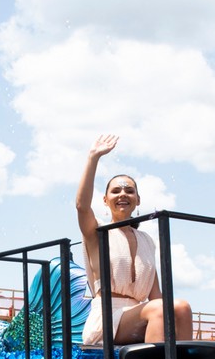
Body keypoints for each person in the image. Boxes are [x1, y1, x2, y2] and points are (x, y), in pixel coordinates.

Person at [75, 134, 192, 347]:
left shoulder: (146, 240)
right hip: (108, 317)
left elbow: (156, 295)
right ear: (105, 199)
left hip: (141, 312)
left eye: (129, 191)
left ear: (137, 200)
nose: (123, 194)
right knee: (159, 309)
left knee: (181, 307)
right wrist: (93, 158)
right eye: (116, 190)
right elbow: (82, 206)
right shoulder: (98, 231)